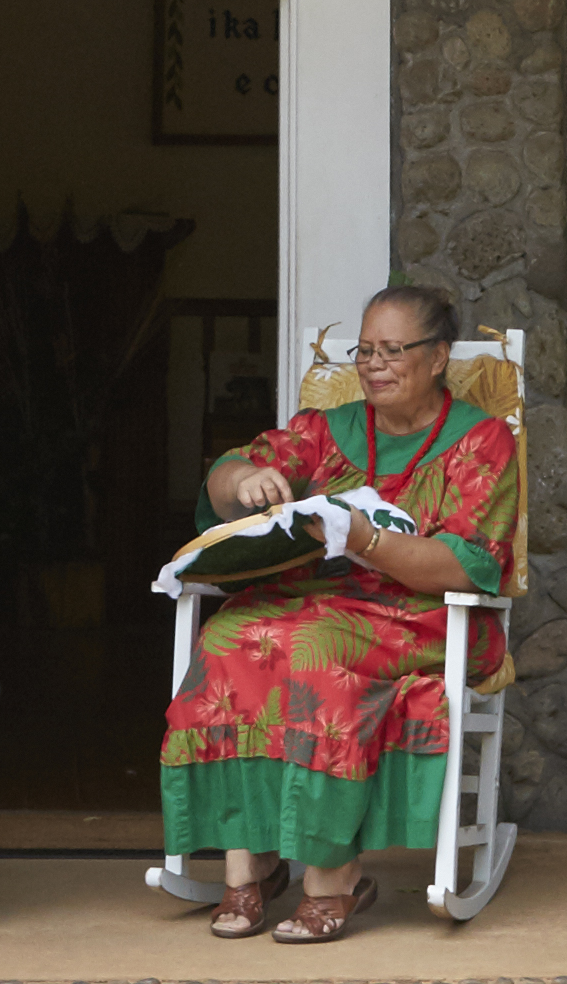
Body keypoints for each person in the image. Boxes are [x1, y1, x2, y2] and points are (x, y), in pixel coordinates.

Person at [157, 284, 521, 944]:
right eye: (364, 350)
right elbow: (229, 472)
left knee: (311, 649)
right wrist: (243, 483)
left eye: (392, 350)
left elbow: (469, 564)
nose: (373, 364)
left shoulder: (483, 440)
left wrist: (366, 540)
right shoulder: (325, 431)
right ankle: (251, 863)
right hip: (312, 603)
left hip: (421, 615)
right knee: (230, 636)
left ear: (437, 357)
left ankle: (332, 877)